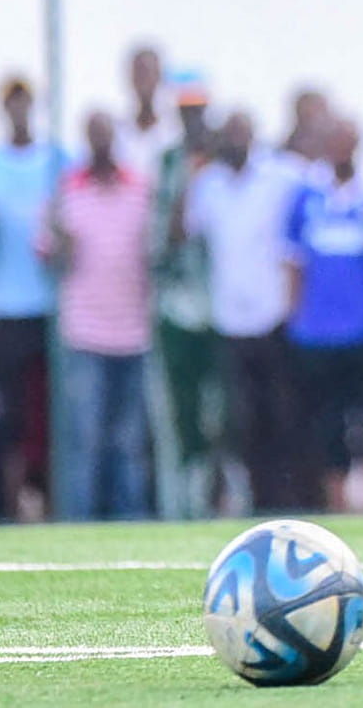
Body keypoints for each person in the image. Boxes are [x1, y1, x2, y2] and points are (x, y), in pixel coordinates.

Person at [182, 111, 304, 512]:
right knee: (241, 421)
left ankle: (289, 500)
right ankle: (255, 500)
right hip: (229, 319)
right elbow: (183, 232)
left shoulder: (281, 176)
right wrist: (191, 171)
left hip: (273, 316)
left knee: (283, 416)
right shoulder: (208, 185)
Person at [45, 112, 155, 520]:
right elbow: (50, 255)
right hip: (86, 331)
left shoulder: (140, 190)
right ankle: (80, 521)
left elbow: (154, 251)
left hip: (134, 329)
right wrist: (59, 242)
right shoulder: (68, 192)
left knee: (129, 441)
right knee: (86, 438)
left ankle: (131, 520)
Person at [284, 116, 363, 511]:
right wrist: (293, 315)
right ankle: (339, 504)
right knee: (328, 423)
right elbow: (293, 261)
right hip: (318, 331)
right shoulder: (306, 196)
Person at [0, 77, 64, 520]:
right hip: (5, 311)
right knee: (9, 420)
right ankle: (13, 509)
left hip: (50, 311)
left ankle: (53, 501)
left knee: (51, 417)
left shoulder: (58, 160)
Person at [148, 72, 221, 519]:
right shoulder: (170, 161)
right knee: (181, 415)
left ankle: (224, 497)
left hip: (223, 308)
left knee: (223, 416)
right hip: (179, 306)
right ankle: (182, 504)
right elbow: (166, 237)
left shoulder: (223, 157)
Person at [113, 46, 174, 180]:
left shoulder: (175, 131)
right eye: (139, 73)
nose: (144, 81)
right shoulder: (117, 131)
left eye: (148, 73)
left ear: (159, 76)